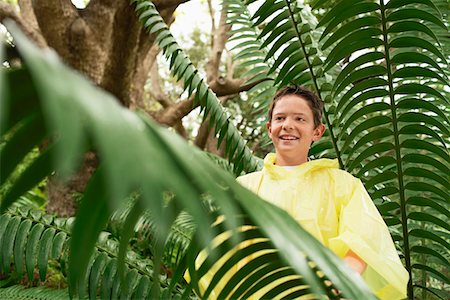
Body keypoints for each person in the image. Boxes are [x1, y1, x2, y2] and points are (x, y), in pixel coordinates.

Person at [188, 85, 409, 299]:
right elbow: (220, 251)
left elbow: (365, 241)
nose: (288, 125)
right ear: (269, 128)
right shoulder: (244, 188)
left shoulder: (343, 185)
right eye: (280, 118)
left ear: (317, 131)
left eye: (300, 119)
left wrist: (342, 279)